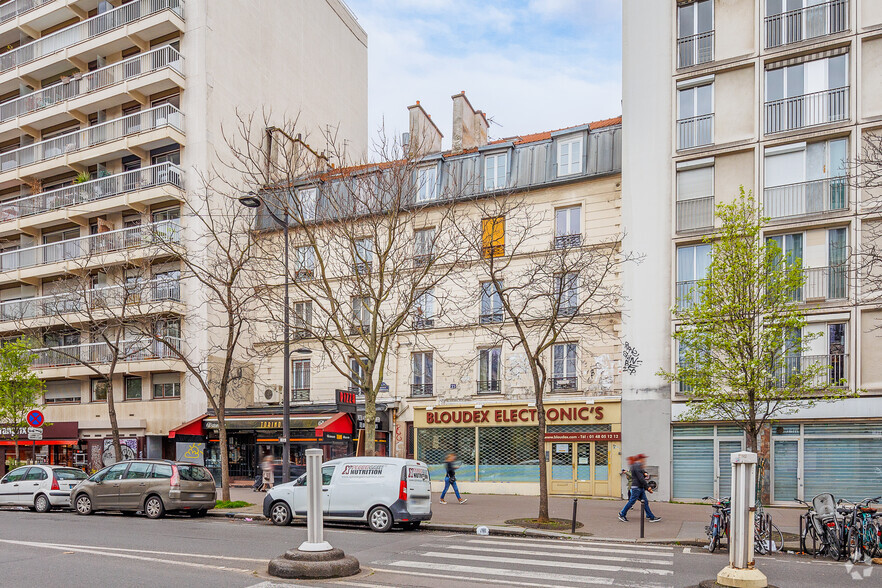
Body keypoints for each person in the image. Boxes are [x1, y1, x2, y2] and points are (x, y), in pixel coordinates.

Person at [618, 453, 661, 523]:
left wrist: (645, 473)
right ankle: (622, 514)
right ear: (640, 459)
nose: (644, 460)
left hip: (639, 487)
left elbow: (642, 472)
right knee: (632, 501)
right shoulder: (636, 466)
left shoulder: (638, 466)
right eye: (643, 459)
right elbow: (641, 478)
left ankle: (651, 516)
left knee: (645, 502)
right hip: (636, 487)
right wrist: (648, 487)